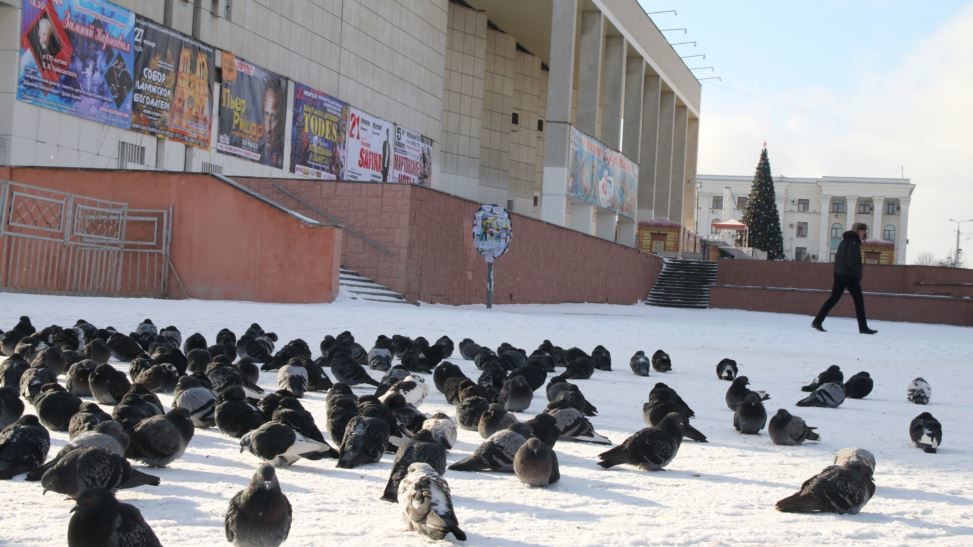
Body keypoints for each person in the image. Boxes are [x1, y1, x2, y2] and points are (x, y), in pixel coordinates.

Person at [812, 222, 878, 334]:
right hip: (849, 275)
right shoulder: (853, 242)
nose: (864, 233)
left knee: (833, 298)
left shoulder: (845, 241)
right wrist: (858, 272)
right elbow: (851, 261)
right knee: (858, 301)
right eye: (862, 230)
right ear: (857, 231)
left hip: (840, 274)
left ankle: (817, 321)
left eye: (865, 230)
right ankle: (863, 328)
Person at [259, 80, 284, 167]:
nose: (268, 129)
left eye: (273, 117)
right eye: (266, 114)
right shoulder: (253, 153)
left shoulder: (285, 157)